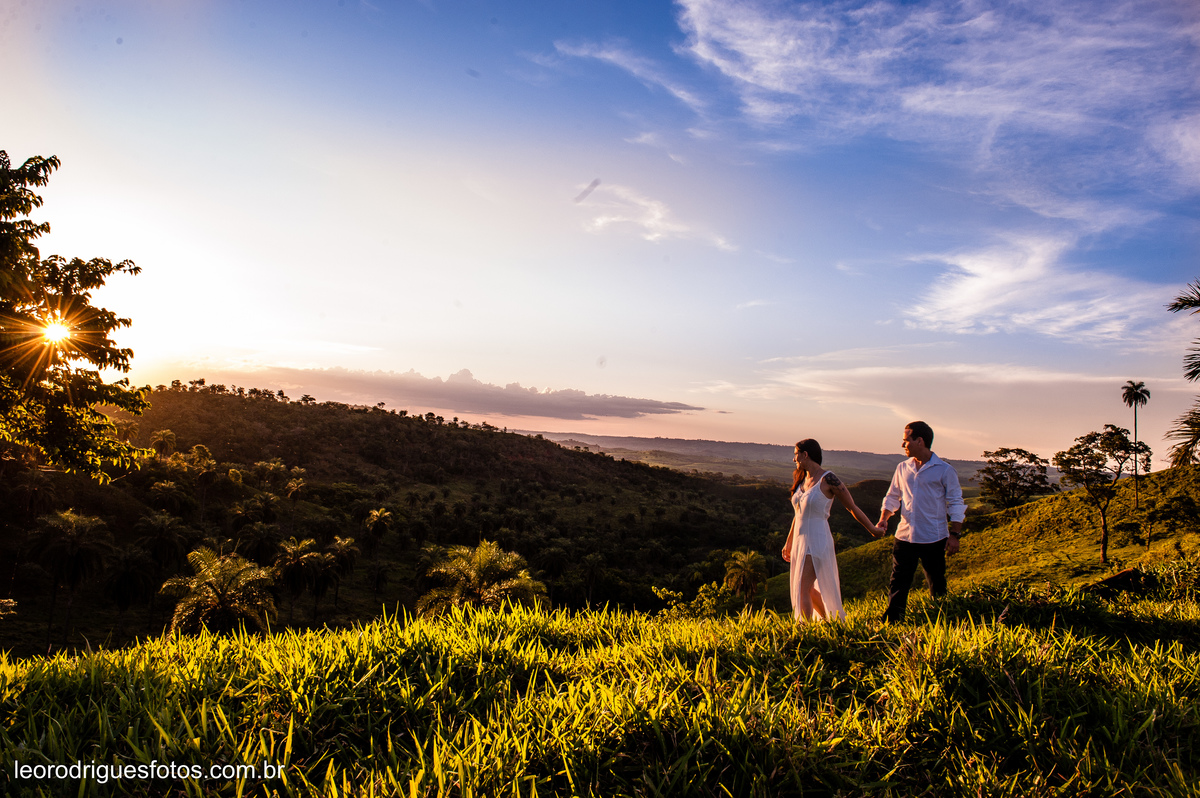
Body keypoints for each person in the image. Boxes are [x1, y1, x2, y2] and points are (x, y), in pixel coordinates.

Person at [874, 421, 966, 623]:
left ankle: (941, 619)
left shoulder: (944, 470)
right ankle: (893, 621)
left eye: (906, 440)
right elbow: (893, 496)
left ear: (920, 441)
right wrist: (884, 519)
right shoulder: (902, 468)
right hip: (905, 535)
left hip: (933, 537)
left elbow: (956, 503)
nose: (902, 445)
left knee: (936, 582)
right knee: (898, 580)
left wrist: (955, 535)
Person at [781, 439, 879, 623]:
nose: (794, 459)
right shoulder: (802, 479)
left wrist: (873, 529)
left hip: (817, 540)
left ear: (805, 455)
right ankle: (830, 621)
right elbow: (798, 514)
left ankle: (805, 630)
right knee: (806, 588)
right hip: (800, 541)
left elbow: (852, 507)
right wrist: (789, 541)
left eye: (796, 454)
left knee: (802, 587)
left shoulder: (828, 479)